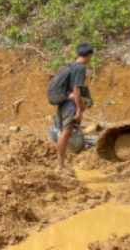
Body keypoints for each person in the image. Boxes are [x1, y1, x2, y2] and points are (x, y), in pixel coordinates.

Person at [55, 43, 94, 176]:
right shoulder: (80, 68)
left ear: (78, 54)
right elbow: (76, 89)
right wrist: (79, 108)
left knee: (63, 134)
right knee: (65, 135)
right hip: (71, 105)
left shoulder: (71, 65)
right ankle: (60, 167)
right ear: (89, 56)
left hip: (63, 103)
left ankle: (60, 165)